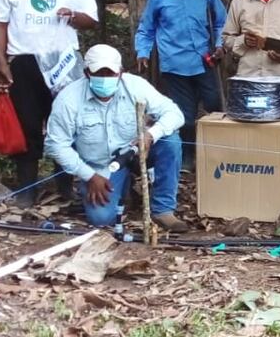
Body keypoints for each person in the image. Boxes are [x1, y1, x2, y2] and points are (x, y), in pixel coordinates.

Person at [0, 0, 99, 208]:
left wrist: (73, 15)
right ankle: (27, 189)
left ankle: (65, 185)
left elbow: (91, 18)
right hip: (23, 59)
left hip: (63, 60)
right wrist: (0, 61)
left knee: (67, 123)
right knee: (26, 123)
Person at [44, 45, 190, 232]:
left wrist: (150, 135)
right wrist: (89, 176)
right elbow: (56, 145)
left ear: (121, 72)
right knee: (102, 218)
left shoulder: (136, 86)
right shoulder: (68, 99)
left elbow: (174, 114)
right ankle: (119, 187)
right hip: (101, 166)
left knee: (170, 141)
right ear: (87, 73)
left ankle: (163, 209)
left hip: (137, 152)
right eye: (99, 73)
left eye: (110, 73)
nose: (105, 79)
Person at [135, 0, 227, 172]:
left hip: (205, 60)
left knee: (215, 105)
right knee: (184, 115)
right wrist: (143, 52)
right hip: (174, 63)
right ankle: (188, 156)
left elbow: (221, 22)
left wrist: (220, 45)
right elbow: (147, 28)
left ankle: (218, 154)